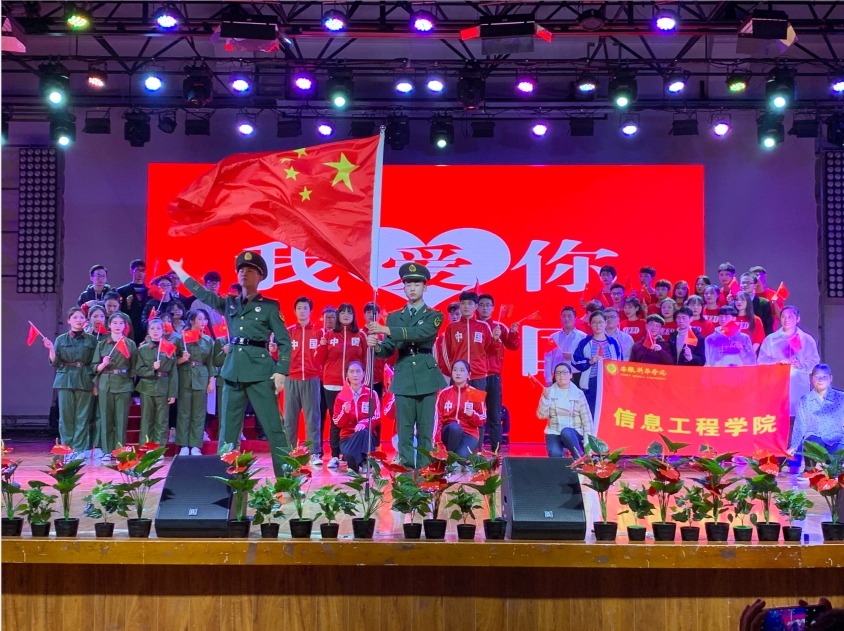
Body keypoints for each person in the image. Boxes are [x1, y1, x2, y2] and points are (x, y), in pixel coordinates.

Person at [168, 252, 292, 478]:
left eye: (250, 270)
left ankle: (287, 480)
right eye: (241, 270)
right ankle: (227, 482)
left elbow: (284, 341)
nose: (244, 273)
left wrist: (282, 371)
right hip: (232, 371)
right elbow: (203, 294)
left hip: (260, 372)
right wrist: (181, 273)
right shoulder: (230, 303)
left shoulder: (270, 306)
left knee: (274, 427)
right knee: (228, 432)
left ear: (260, 277)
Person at [368, 262, 447, 469]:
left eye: (417, 284)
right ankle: (406, 479)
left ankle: (424, 476)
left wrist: (386, 330)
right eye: (408, 284)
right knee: (404, 433)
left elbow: (421, 334)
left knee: (425, 433)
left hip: (426, 376)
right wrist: (377, 346)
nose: (412, 288)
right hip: (403, 374)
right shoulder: (394, 317)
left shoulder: (434, 316)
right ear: (403, 288)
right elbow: (388, 349)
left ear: (425, 287)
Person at [316, 303, 368, 469]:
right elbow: (319, 359)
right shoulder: (329, 335)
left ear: (354, 316)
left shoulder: (360, 335)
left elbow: (365, 361)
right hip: (332, 384)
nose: (346, 315)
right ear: (338, 316)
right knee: (336, 420)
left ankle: (354, 455)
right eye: (342, 312)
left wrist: (364, 383)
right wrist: (322, 345)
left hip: (354, 385)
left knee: (355, 419)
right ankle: (334, 455)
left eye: (349, 312)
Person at [42, 307, 98, 458]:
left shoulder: (92, 340)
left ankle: (78, 449)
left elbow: (95, 363)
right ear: (69, 320)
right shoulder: (61, 339)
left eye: (81, 317)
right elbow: (55, 362)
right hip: (65, 379)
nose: (78, 320)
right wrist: (50, 349)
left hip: (85, 378)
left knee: (82, 416)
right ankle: (67, 449)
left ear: (85, 320)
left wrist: (95, 384)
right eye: (75, 317)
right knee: (66, 417)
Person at [758, 305, 821, 420]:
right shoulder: (771, 339)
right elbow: (761, 361)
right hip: (776, 387)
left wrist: (801, 365)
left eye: (790, 316)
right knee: (776, 419)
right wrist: (776, 361)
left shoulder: (807, 339)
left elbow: (814, 362)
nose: (786, 319)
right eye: (783, 316)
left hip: (798, 386)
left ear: (798, 319)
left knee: (797, 419)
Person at [477, 293, 519, 452]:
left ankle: (496, 452)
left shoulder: (500, 327)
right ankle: (476, 450)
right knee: (476, 415)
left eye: (488, 305)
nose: (484, 308)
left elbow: (513, 346)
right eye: (481, 305)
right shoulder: (473, 326)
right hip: (476, 377)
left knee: (495, 415)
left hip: (494, 376)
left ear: (493, 308)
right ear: (476, 307)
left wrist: (513, 333)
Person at [93, 312, 138, 460]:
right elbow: (94, 367)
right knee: (106, 418)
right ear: (109, 325)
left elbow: (134, 367)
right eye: (115, 323)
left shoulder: (130, 344)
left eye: (121, 323)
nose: (118, 326)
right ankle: (106, 450)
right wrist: (102, 364)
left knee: (121, 419)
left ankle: (120, 451)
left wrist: (130, 383)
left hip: (124, 383)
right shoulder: (102, 344)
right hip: (105, 383)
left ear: (125, 326)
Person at [285, 296, 323, 465]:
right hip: (291, 378)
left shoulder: (318, 332)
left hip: (311, 378)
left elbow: (323, 356)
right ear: (295, 311)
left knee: (312, 418)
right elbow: (280, 354)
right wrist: (273, 350)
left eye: (305, 308)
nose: (302, 311)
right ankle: (289, 452)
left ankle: (314, 453)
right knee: (289, 419)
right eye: (299, 308)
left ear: (310, 311)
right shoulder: (288, 332)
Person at [441, 291, 501, 392]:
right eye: (463, 303)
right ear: (460, 305)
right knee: (458, 402)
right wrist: (454, 370)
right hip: (458, 376)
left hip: (479, 377)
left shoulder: (483, 326)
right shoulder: (452, 327)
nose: (466, 306)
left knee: (477, 402)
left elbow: (491, 352)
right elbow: (446, 353)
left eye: (470, 303)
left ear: (476, 306)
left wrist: (495, 340)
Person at [175, 310, 215, 456]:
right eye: (200, 319)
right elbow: (171, 360)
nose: (203, 322)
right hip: (185, 376)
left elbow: (211, 362)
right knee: (184, 412)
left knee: (199, 413)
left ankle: (196, 445)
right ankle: (184, 445)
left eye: (205, 319)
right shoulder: (180, 339)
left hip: (201, 376)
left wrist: (211, 381)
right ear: (192, 321)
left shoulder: (208, 340)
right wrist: (182, 359)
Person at [135, 318, 178, 447]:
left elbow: (173, 372)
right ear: (148, 331)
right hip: (146, 387)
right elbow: (138, 370)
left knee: (162, 419)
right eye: (152, 328)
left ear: (163, 331)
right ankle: (146, 446)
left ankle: (159, 447)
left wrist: (172, 393)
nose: (155, 331)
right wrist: (152, 369)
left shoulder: (169, 348)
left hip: (163, 387)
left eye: (158, 328)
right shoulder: (143, 349)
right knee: (147, 418)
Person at [789, 364, 844, 467]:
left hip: (836, 439)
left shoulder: (841, 397)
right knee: (812, 442)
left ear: (831, 378)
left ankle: (835, 470)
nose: (820, 380)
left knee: (836, 462)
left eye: (824, 376)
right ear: (812, 379)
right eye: (817, 376)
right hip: (814, 440)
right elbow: (800, 424)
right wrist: (794, 446)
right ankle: (809, 469)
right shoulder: (805, 400)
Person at [332, 361, 381, 473]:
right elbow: (337, 422)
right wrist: (344, 413)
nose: (355, 375)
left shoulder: (371, 394)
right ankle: (364, 460)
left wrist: (364, 423)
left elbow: (377, 417)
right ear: (347, 375)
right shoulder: (341, 396)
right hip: (347, 437)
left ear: (363, 374)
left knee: (363, 432)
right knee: (349, 453)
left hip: (367, 436)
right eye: (352, 372)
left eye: (358, 371)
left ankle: (362, 461)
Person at [571, 311, 623, 416]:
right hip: (591, 383)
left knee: (608, 414)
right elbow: (574, 360)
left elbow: (619, 363)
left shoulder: (613, 343)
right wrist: (589, 361)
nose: (597, 325)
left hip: (609, 383)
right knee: (591, 414)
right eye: (594, 322)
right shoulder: (585, 342)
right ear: (590, 324)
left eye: (600, 322)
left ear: (605, 323)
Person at [537, 362, 591, 458]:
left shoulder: (579, 393)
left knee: (566, 432)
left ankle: (579, 457)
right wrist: (545, 399)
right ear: (554, 376)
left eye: (564, 372)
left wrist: (587, 442)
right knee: (555, 454)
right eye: (558, 373)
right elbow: (541, 416)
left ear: (571, 375)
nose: (561, 375)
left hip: (573, 433)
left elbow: (587, 420)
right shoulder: (548, 392)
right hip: (554, 432)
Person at [436, 359, 486, 459]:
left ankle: (451, 458)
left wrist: (472, 415)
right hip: (449, 432)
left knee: (461, 459)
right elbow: (437, 420)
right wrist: (438, 443)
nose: (458, 373)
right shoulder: (443, 393)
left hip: (469, 433)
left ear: (469, 375)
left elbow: (482, 419)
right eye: (455, 370)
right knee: (455, 428)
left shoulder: (475, 393)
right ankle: (449, 457)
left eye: (462, 370)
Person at [544, 306, 587, 387]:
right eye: (564, 316)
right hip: (558, 376)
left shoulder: (583, 337)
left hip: (576, 376)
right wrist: (548, 379)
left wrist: (573, 357)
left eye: (569, 316)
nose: (566, 318)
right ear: (560, 319)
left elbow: (587, 358)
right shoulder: (552, 337)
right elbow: (548, 359)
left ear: (575, 319)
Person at [318, 305, 337, 454]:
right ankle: (317, 449)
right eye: (327, 317)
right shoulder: (318, 334)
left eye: (332, 317)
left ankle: (336, 450)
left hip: (334, 381)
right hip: (318, 380)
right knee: (319, 415)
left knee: (335, 416)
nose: (329, 320)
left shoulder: (339, 336)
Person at [117, 259, 149, 345]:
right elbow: (118, 311)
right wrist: (127, 305)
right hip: (129, 328)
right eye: (137, 270)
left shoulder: (149, 292)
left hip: (144, 330)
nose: (140, 273)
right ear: (132, 271)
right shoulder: (122, 291)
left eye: (143, 271)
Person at [434, 301, 461, 384]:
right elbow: (438, 357)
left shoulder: (468, 334)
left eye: (457, 314)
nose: (454, 317)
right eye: (451, 314)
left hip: (464, 374)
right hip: (446, 375)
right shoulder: (442, 336)